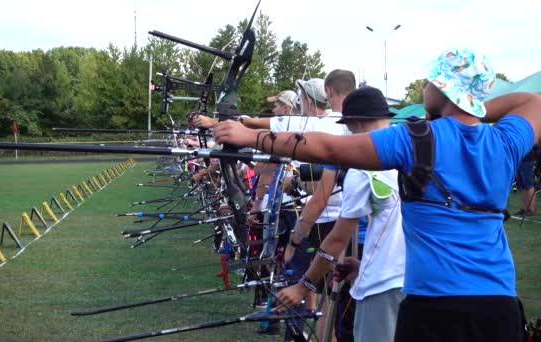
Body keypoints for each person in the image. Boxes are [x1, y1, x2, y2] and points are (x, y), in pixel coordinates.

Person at [214, 48, 541, 342]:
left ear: (444, 89)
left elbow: (326, 147)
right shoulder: (505, 141)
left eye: (430, 81)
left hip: (434, 306)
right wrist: (474, 110)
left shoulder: (415, 139)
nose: (425, 87)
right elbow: (533, 102)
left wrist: (249, 135)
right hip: (499, 304)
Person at [278, 86, 406, 342]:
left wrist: (304, 285)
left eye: (349, 126)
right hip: (421, 280)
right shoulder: (414, 152)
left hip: (383, 283)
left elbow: (337, 239)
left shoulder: (363, 167)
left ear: (357, 123)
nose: (348, 133)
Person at [514, 145, 538, 216]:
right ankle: (524, 208)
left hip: (528, 157)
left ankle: (531, 209)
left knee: (528, 184)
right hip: (522, 157)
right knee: (523, 185)